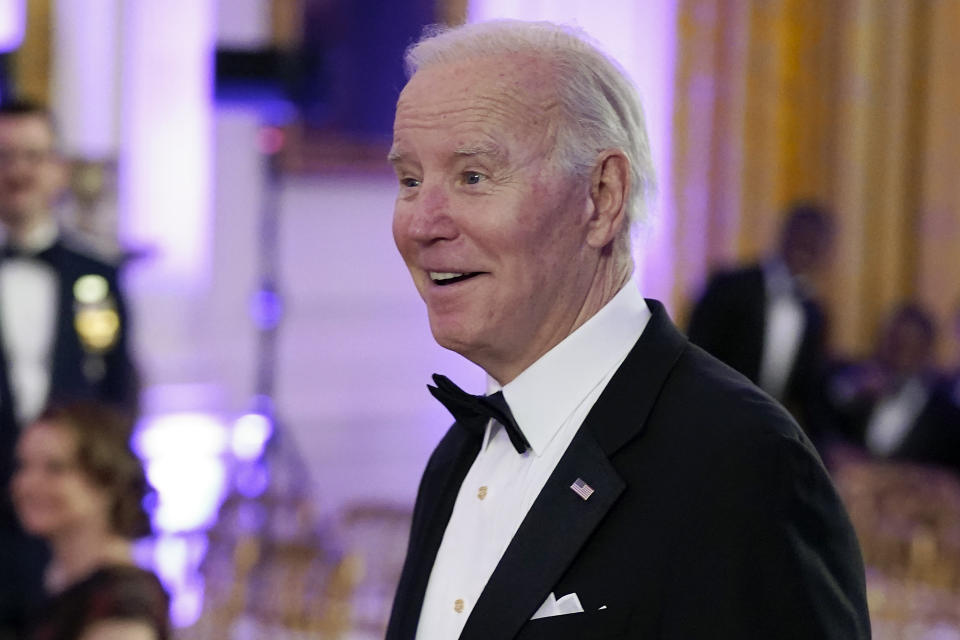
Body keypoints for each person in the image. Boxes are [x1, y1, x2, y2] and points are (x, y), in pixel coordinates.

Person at [385, 19, 870, 640]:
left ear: (602, 197)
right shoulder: (455, 459)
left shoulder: (745, 463)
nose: (421, 224)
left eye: (473, 177)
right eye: (409, 180)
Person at [0, 99, 139, 636]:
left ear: (56, 168)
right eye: (5, 156)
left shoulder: (96, 277)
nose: (18, 171)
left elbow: (116, 393)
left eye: (32, 156)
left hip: (72, 523)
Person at [11, 401, 169, 639]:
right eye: (24, 465)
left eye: (55, 468)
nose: (26, 484)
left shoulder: (122, 601)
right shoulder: (62, 580)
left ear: (106, 481)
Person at [686, 202, 834, 442]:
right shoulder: (730, 286)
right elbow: (693, 351)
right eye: (801, 237)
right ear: (785, 234)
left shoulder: (814, 314)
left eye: (815, 243)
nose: (806, 247)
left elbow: (807, 393)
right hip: (710, 424)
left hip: (766, 440)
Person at [824, 302, 960, 474]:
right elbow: (826, 434)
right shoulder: (857, 391)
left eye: (908, 343)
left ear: (927, 348)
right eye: (890, 341)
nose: (896, 352)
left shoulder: (947, 413)